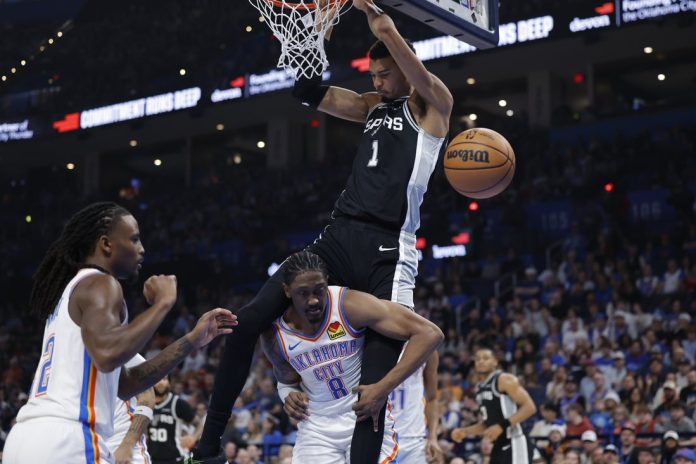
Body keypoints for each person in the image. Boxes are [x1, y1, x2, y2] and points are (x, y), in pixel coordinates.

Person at [195, 0, 454, 460]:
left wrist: (383, 26)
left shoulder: (433, 107)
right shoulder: (371, 106)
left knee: (372, 389)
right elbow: (313, 92)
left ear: (405, 66)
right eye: (373, 75)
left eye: (385, 74)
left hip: (389, 249)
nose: (377, 82)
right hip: (337, 235)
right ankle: (209, 445)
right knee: (248, 320)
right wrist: (313, 40)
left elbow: (420, 76)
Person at [2, 202, 236, 464]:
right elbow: (108, 355)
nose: (142, 248)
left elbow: (126, 385)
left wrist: (192, 340)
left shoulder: (69, 294)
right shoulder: (100, 283)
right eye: (134, 239)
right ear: (106, 244)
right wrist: (163, 303)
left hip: (25, 439)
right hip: (68, 439)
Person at [259, 251, 444, 462]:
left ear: (327, 282)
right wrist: (288, 395)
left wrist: (382, 388)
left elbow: (430, 333)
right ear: (287, 291)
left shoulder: (348, 305)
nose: (313, 300)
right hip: (316, 429)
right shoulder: (275, 336)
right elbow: (287, 381)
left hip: (363, 418)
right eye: (303, 293)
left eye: (319, 290)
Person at [451, 348, 538, 464]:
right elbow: (488, 423)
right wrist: (465, 432)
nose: (481, 361)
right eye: (478, 359)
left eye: (486, 358)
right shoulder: (479, 388)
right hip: (498, 444)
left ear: (495, 362)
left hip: (515, 441)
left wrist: (501, 426)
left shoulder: (504, 379)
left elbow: (530, 407)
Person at [389, 352, 443, 463]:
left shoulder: (429, 349)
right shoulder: (369, 344)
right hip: (381, 437)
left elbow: (432, 399)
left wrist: (433, 437)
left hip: (414, 440)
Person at [105, 355, 156, 464]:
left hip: (121, 444)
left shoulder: (122, 350)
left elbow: (147, 398)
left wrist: (127, 444)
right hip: (86, 443)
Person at [148, 376, 199, 464]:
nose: (160, 383)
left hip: (177, 459)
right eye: (157, 379)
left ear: (169, 383)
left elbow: (199, 424)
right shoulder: (146, 404)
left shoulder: (178, 403)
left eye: (164, 379)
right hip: (152, 459)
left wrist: (193, 438)